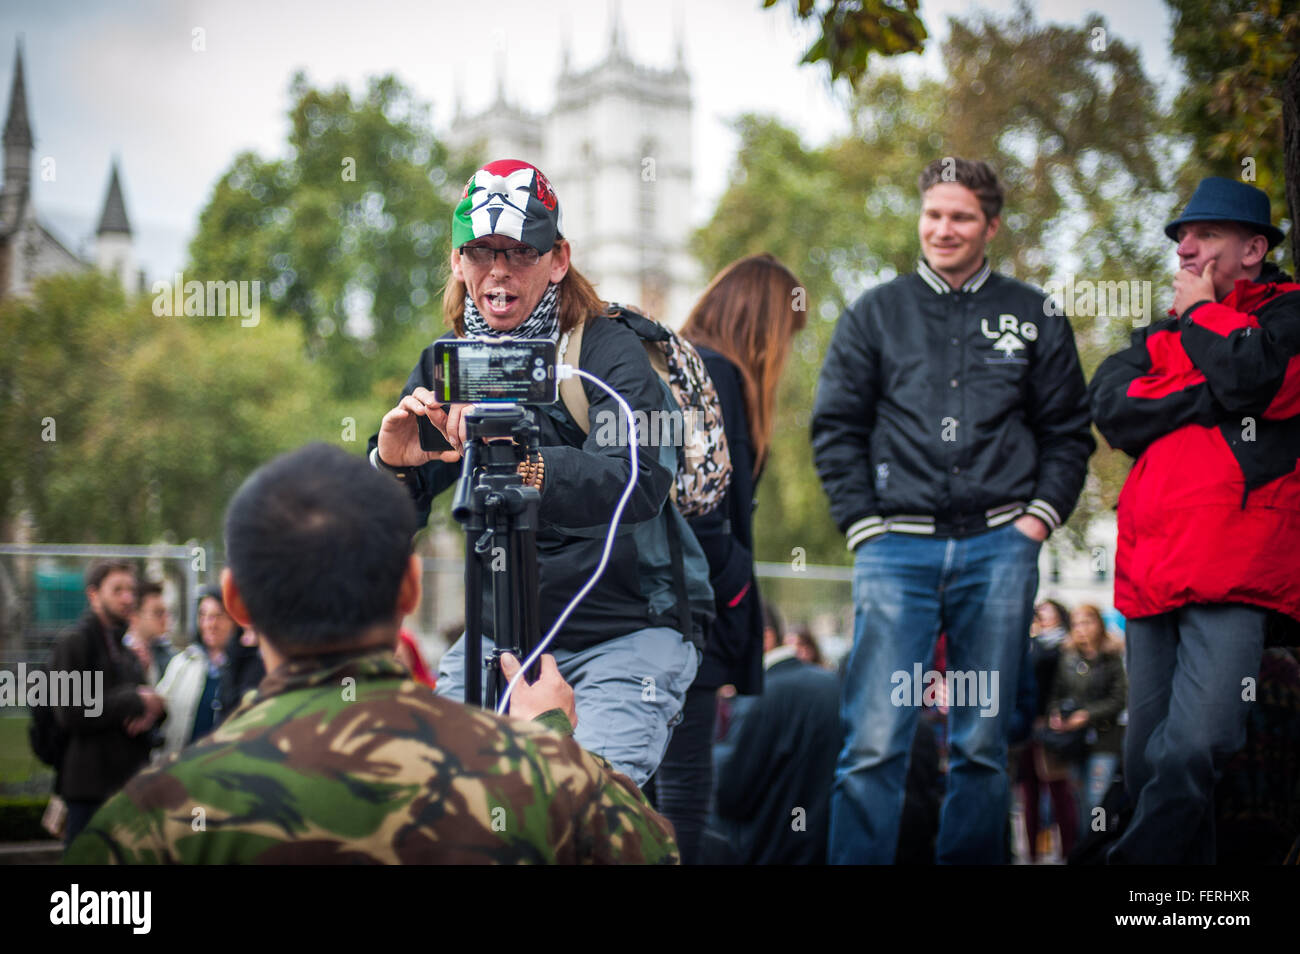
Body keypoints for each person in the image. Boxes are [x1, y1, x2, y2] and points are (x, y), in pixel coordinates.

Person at [65, 443, 679, 864]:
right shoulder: (545, 778)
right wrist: (550, 741)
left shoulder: (152, 817)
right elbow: (651, 851)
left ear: (237, 603)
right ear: (409, 587)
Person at [367, 158, 707, 787]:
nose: (498, 269)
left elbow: (641, 477)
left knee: (584, 800)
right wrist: (391, 464)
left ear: (558, 258)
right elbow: (377, 524)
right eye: (480, 250)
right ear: (457, 261)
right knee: (433, 792)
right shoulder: (448, 358)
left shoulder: (605, 348)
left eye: (521, 250)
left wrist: (523, 462)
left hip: (624, 629)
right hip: (502, 637)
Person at [811, 157, 1095, 863]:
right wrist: (865, 530)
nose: (944, 228)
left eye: (961, 216)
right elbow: (835, 427)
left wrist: (1035, 525)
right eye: (933, 214)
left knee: (981, 744)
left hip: (1001, 547)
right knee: (874, 742)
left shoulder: (1036, 315)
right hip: (893, 550)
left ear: (990, 225)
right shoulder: (875, 313)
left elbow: (1067, 432)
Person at [1088, 175, 1300, 864]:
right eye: (1180, 235)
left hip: (1235, 565)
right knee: (1146, 757)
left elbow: (1252, 376)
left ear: (1253, 248)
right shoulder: (1159, 330)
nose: (1184, 247)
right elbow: (1113, 405)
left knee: (1198, 744)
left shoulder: (1288, 312)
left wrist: (1206, 322)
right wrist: (1204, 390)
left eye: (1204, 234)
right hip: (1151, 566)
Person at [646, 253, 806, 863]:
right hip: (693, 604)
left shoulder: (680, 364)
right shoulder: (719, 374)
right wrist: (737, 583)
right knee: (684, 790)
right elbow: (703, 500)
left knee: (651, 778)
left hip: (663, 599)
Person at [710, 600, 840, 864]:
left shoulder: (761, 694)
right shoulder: (831, 683)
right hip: (827, 849)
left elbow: (731, 794)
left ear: (765, 637)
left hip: (770, 851)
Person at [49, 561, 165, 846]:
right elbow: (70, 712)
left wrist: (156, 709)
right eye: (117, 590)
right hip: (90, 794)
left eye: (131, 590)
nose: (128, 598)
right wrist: (133, 699)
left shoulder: (125, 650)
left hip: (128, 789)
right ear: (93, 595)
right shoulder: (74, 643)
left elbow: (144, 702)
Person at [1046, 604, 1126, 837]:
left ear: (1099, 624)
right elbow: (1057, 694)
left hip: (1105, 739)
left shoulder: (1112, 657)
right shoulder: (1068, 658)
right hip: (1075, 741)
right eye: (1077, 623)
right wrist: (1057, 714)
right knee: (1080, 800)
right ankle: (1085, 848)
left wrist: (1088, 715)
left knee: (1097, 800)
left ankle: (1099, 847)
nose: (1081, 629)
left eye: (1087, 622)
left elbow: (1119, 698)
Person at [153, 587, 237, 758]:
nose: (210, 624)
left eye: (218, 616)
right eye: (203, 616)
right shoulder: (184, 662)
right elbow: (159, 704)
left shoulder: (245, 668)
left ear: (234, 620)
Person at [122, 580, 174, 685]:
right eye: (158, 613)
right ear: (134, 617)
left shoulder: (171, 656)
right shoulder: (117, 654)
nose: (165, 618)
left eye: (165, 612)